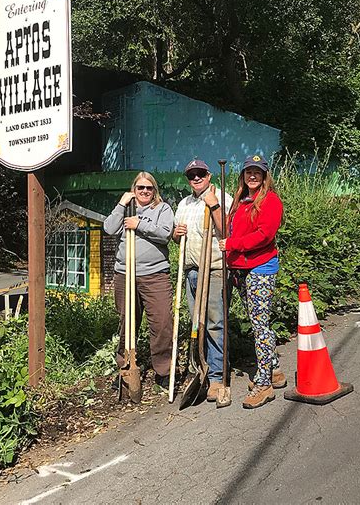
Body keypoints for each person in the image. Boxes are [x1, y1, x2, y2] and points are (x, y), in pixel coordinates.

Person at [219, 154, 286, 409]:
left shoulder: (270, 201)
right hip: (242, 268)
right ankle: (275, 370)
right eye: (249, 171)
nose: (253, 176)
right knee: (257, 320)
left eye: (258, 171)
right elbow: (232, 230)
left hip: (261, 267)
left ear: (265, 175)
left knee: (260, 325)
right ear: (243, 175)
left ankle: (264, 383)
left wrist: (233, 245)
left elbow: (264, 235)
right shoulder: (240, 201)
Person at [104, 172, 174, 389]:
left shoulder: (162, 209)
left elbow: (165, 234)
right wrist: (121, 203)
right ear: (133, 190)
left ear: (154, 190)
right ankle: (126, 369)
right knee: (127, 323)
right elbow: (109, 228)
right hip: (125, 274)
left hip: (155, 275)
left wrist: (139, 224)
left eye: (149, 188)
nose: (144, 191)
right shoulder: (125, 208)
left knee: (162, 323)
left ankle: (163, 371)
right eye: (140, 188)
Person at [173, 159, 232, 401]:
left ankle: (218, 376)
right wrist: (176, 235)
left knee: (215, 323)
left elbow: (228, 231)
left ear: (209, 175)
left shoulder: (222, 196)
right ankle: (201, 369)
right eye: (191, 175)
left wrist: (215, 206)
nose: (196, 178)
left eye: (200, 174)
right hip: (192, 271)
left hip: (216, 269)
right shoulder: (184, 203)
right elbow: (178, 240)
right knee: (197, 324)